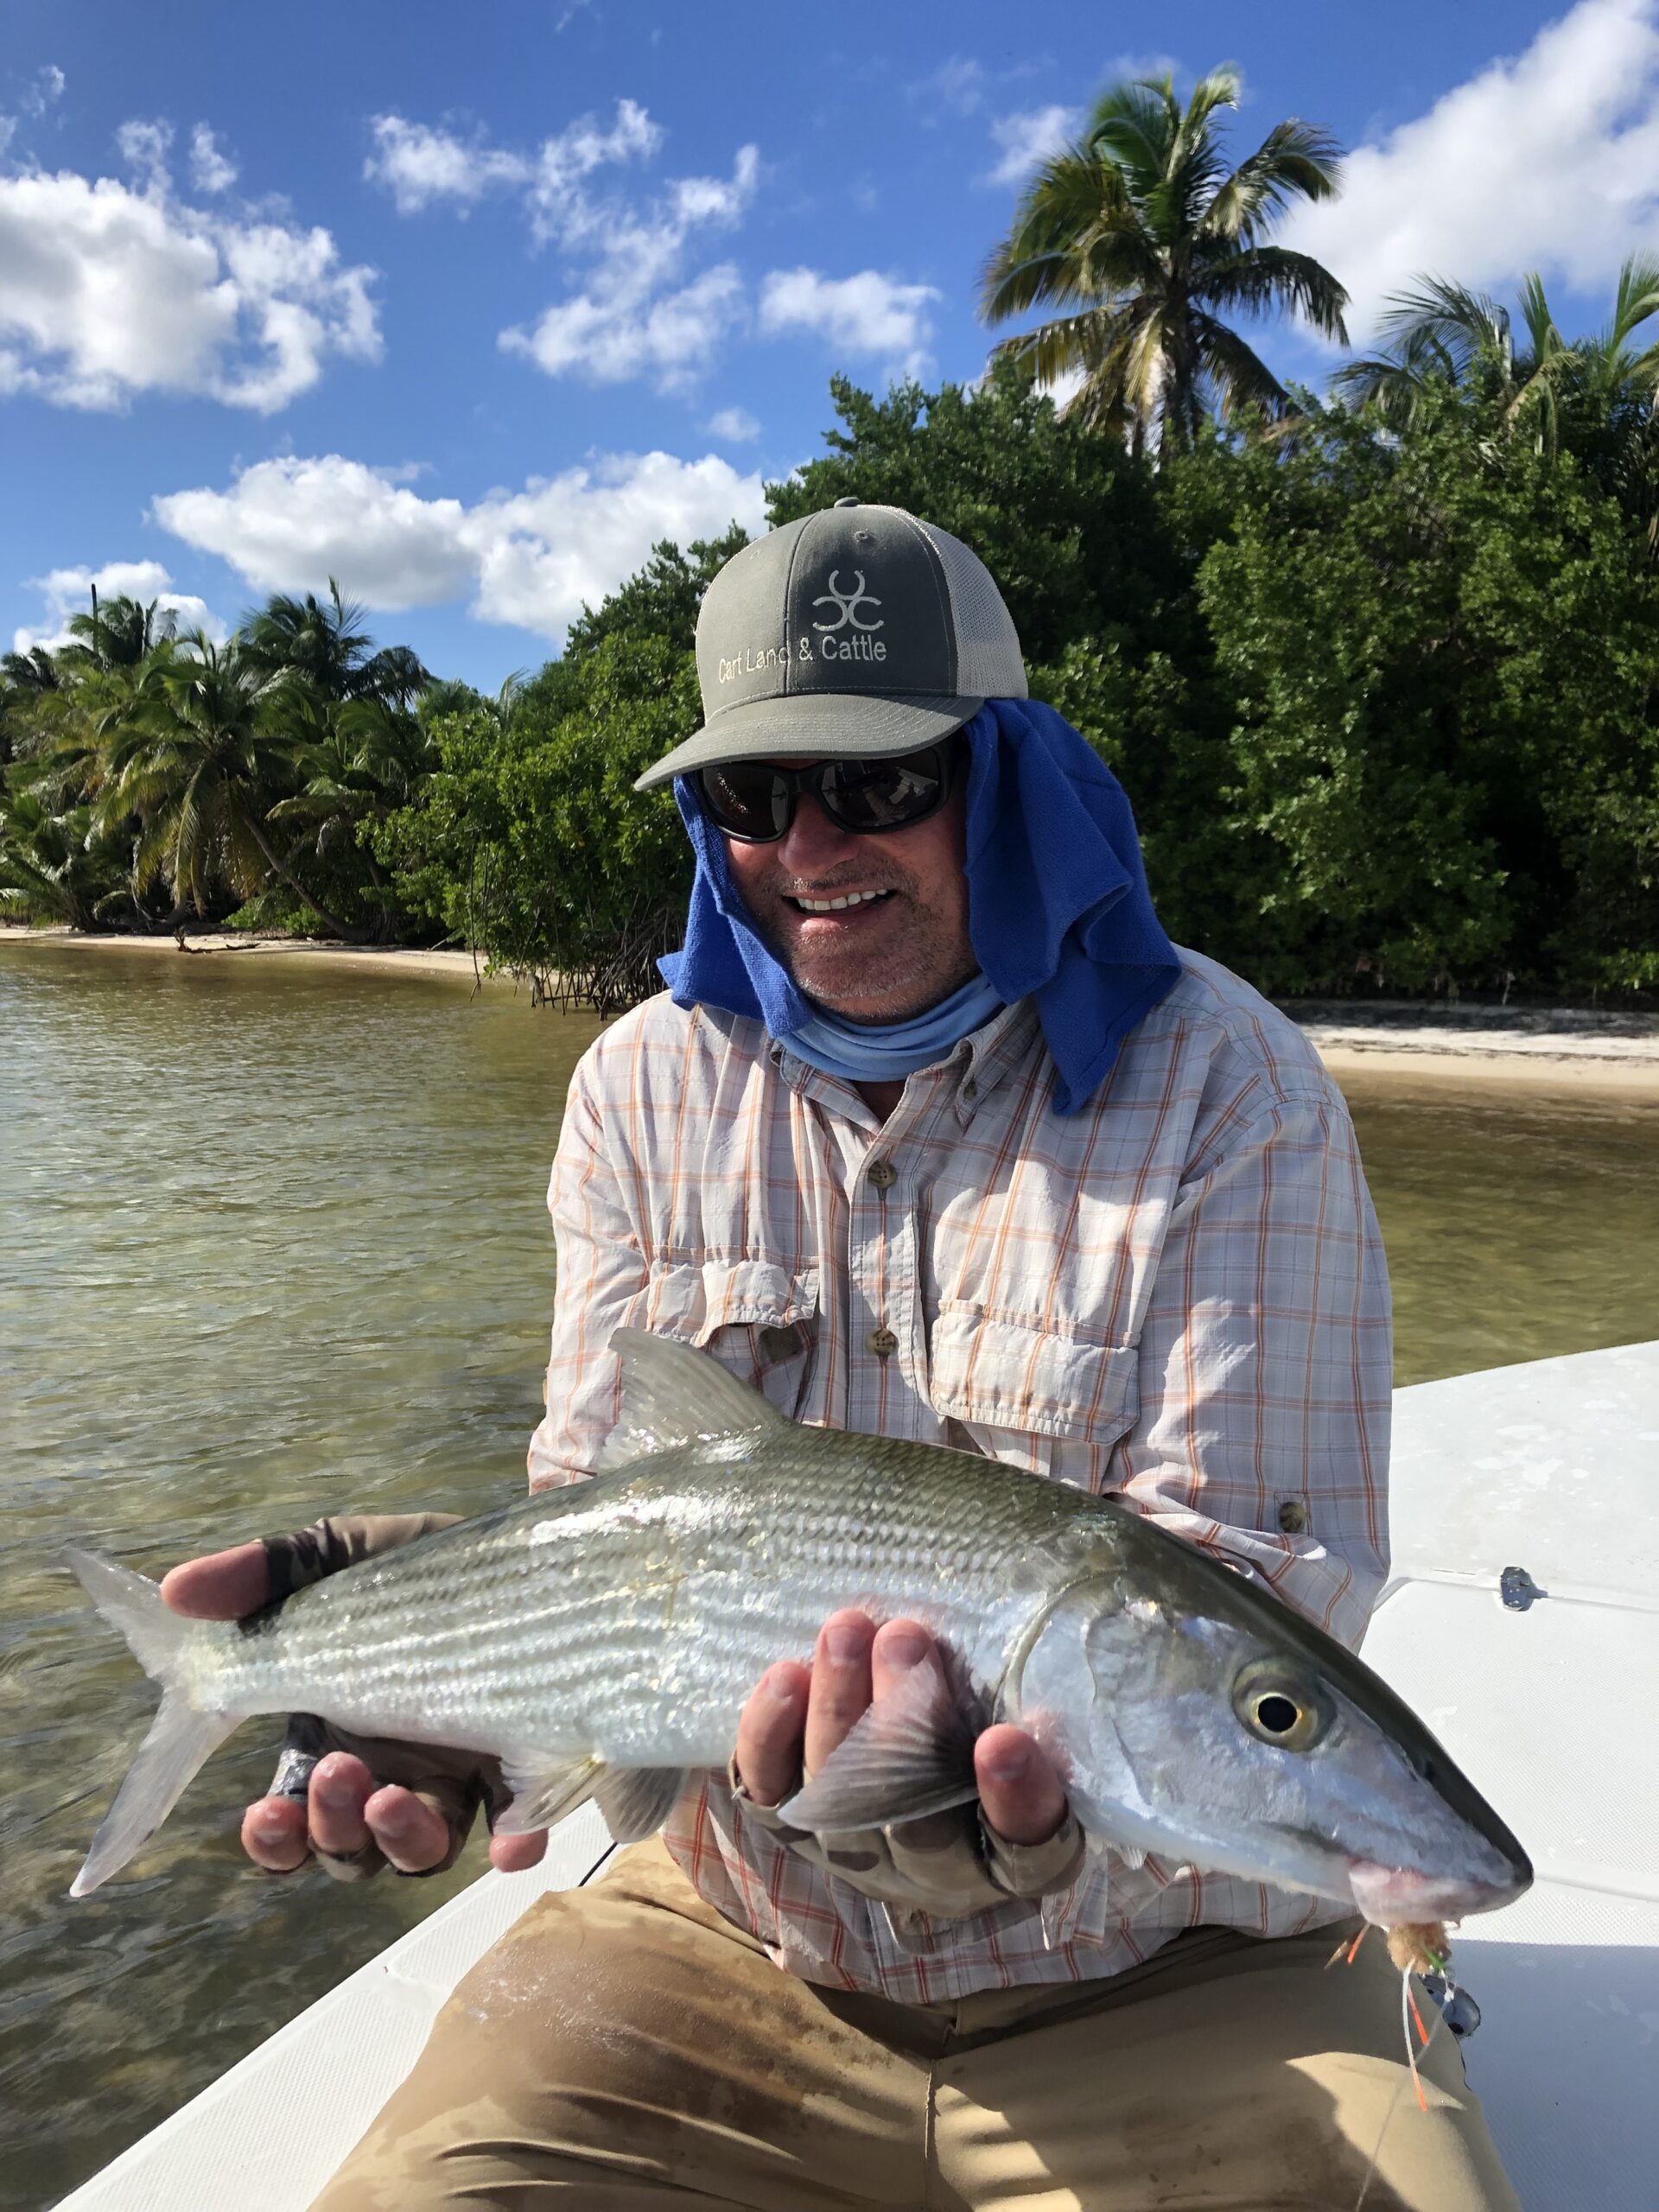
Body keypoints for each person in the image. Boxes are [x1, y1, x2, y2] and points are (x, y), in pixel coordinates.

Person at [164, 501, 1521, 2209]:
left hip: (1191, 1968)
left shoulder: (1228, 1085)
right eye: (753, 791)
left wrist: (984, 1808)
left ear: (1006, 772)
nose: (810, 844)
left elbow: (1257, 1600)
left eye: (881, 783)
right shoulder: (637, 1088)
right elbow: (615, 1506)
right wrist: (451, 1649)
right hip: (732, 1946)